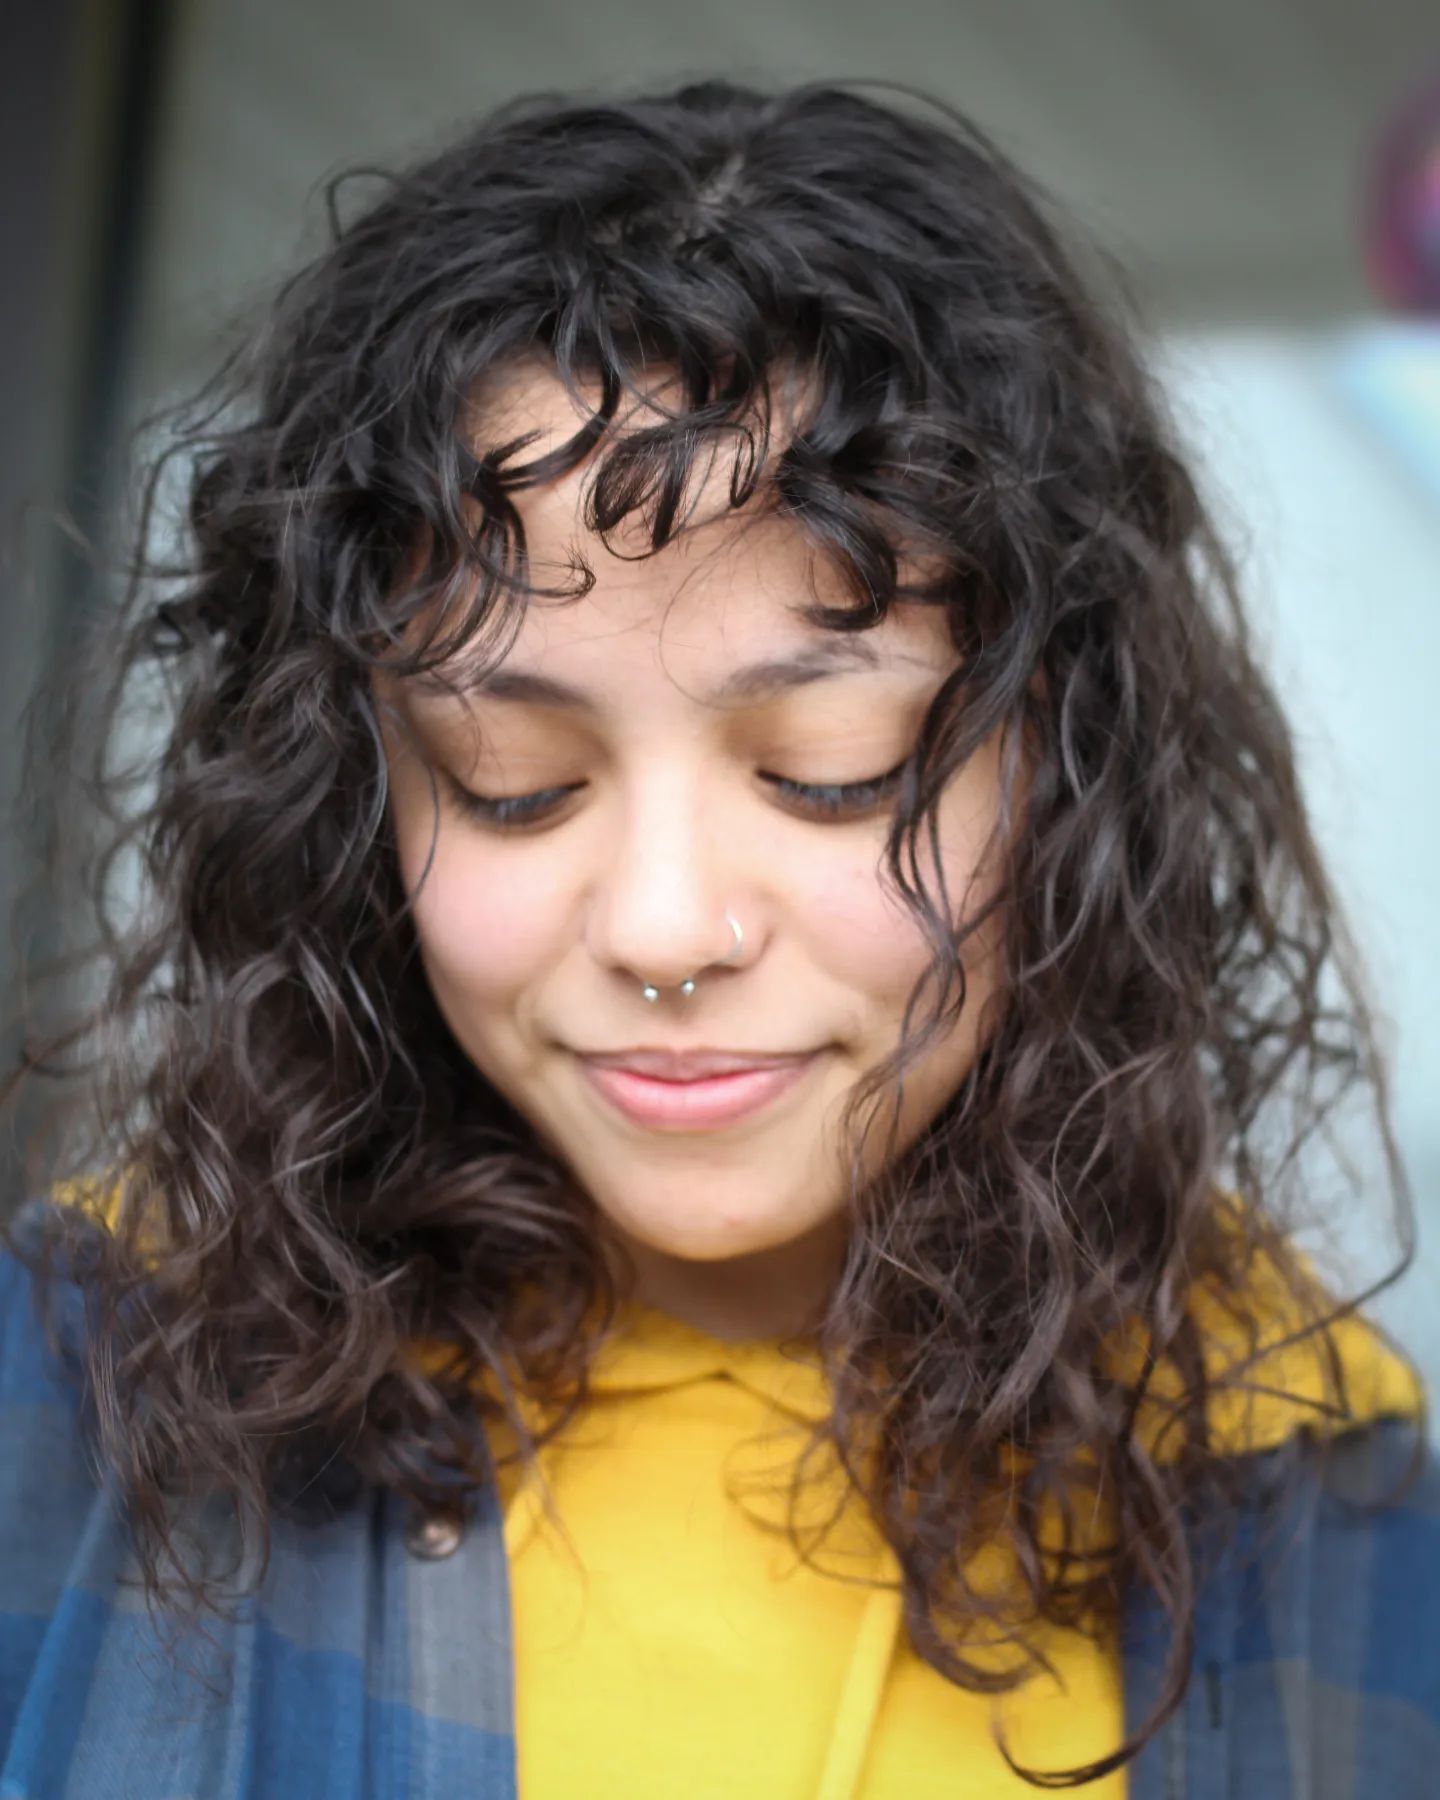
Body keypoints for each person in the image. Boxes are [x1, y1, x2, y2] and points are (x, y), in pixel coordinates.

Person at [1, 77, 1436, 1799]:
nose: (666, 928)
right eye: (509, 780)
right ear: (349, 793)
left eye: (833, 778)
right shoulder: (75, 1383)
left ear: (1069, 772)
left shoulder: (1315, 1472)